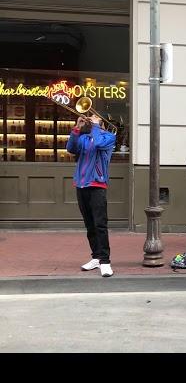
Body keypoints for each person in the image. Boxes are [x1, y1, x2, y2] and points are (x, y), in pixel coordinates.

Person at [68, 114, 117, 278]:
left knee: (100, 225)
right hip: (81, 185)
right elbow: (71, 149)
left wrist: (96, 126)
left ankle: (105, 261)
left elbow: (99, 143)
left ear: (101, 122)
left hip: (97, 185)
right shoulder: (83, 137)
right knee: (90, 225)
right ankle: (96, 257)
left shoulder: (109, 137)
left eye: (94, 118)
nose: (90, 119)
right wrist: (77, 128)